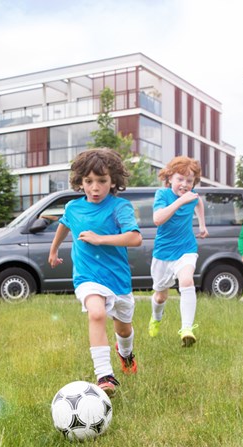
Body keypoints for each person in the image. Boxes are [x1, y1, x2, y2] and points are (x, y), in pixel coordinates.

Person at [48, 148, 142, 397]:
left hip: (118, 280)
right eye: (88, 181)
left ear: (113, 181)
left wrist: (100, 239)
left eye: (102, 181)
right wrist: (54, 249)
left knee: (124, 330)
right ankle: (105, 376)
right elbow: (64, 225)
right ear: (80, 181)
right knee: (97, 313)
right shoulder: (73, 207)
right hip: (87, 277)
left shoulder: (120, 207)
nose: (95, 188)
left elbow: (135, 238)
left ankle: (125, 353)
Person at [147, 156, 208, 346]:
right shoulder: (162, 195)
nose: (185, 184)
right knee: (160, 296)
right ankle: (156, 318)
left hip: (186, 248)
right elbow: (158, 219)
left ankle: (187, 329)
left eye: (189, 181)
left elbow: (198, 202)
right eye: (180, 179)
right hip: (163, 253)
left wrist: (202, 225)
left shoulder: (192, 195)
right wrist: (180, 201)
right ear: (169, 178)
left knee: (187, 280)